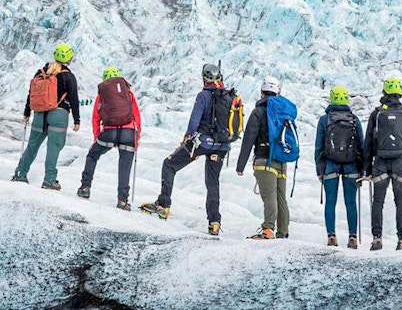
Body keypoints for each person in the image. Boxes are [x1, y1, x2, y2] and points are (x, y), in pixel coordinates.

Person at [140, 64, 231, 235]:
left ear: (204, 78)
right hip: (222, 146)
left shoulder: (203, 95)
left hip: (202, 143)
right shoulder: (229, 97)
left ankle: (163, 204)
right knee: (213, 183)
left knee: (169, 165)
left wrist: (186, 139)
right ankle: (214, 222)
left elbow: (193, 122)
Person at [12, 43, 80, 189]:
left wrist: (26, 112)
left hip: (39, 114)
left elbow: (31, 93)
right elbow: (74, 99)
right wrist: (77, 120)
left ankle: (20, 173)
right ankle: (49, 181)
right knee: (53, 148)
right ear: (68, 58)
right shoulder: (68, 76)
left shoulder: (41, 72)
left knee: (32, 146)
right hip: (59, 114)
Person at [363, 78, 402, 251]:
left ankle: (377, 239)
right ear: (400, 93)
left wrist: (367, 168)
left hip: (380, 162)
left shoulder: (377, 113)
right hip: (401, 163)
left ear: (384, 93)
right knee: (400, 201)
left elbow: (368, 143)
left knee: (378, 201)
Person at [77, 67, 141, 211]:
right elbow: (136, 116)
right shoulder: (128, 94)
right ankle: (122, 201)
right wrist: (136, 137)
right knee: (125, 166)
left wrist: (96, 137)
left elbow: (96, 118)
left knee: (92, 156)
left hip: (109, 132)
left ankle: (85, 187)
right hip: (128, 132)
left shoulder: (102, 95)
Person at [236, 76, 290, 240]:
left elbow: (249, 139)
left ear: (261, 92)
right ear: (278, 92)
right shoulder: (283, 112)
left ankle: (267, 229)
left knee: (269, 197)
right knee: (281, 197)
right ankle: (283, 232)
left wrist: (240, 165)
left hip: (264, 160)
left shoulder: (258, 112)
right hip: (281, 160)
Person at [314, 86, 364, 249]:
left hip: (330, 165)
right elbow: (362, 145)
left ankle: (331, 236)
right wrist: (362, 169)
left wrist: (320, 170)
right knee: (351, 202)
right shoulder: (354, 119)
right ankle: (352, 237)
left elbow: (318, 147)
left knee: (330, 202)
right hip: (351, 166)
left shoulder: (324, 119)